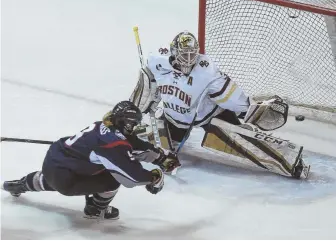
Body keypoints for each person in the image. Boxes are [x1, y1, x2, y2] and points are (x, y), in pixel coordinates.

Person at [130, 31, 310, 179]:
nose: (189, 59)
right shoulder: (157, 60)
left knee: (243, 141)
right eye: (185, 55)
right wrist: (148, 101)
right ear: (174, 52)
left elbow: (229, 95)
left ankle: (291, 161)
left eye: (193, 54)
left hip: (211, 116)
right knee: (159, 150)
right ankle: (126, 131)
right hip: (174, 119)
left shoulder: (207, 71)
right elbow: (148, 78)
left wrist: (249, 109)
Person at [2, 101, 179, 220]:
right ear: (125, 123)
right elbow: (131, 176)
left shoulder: (103, 125)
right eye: (134, 124)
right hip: (67, 178)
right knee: (112, 178)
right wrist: (154, 177)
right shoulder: (113, 144)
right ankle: (96, 210)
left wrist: (160, 157)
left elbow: (132, 144)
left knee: (54, 177)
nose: (135, 128)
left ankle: (20, 185)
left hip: (54, 160)